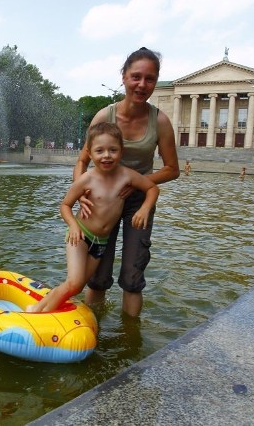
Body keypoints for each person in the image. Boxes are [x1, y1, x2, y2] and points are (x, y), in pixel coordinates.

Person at [74, 47, 180, 317]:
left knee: (133, 278)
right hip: (102, 199)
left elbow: (172, 169)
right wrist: (81, 193)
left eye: (150, 79)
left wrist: (136, 182)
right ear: (123, 77)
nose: (142, 85)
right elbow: (81, 162)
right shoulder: (103, 117)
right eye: (136, 77)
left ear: (156, 81)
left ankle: (129, 340)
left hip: (138, 201)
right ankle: (91, 330)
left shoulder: (161, 121)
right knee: (96, 274)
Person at [27, 122, 159, 313]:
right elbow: (65, 205)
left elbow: (152, 188)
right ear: (89, 153)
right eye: (100, 151)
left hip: (101, 243)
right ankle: (37, 310)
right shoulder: (86, 179)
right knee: (74, 282)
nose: (106, 155)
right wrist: (73, 225)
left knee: (79, 286)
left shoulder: (126, 176)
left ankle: (47, 307)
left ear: (121, 151)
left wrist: (144, 208)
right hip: (80, 236)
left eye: (113, 150)